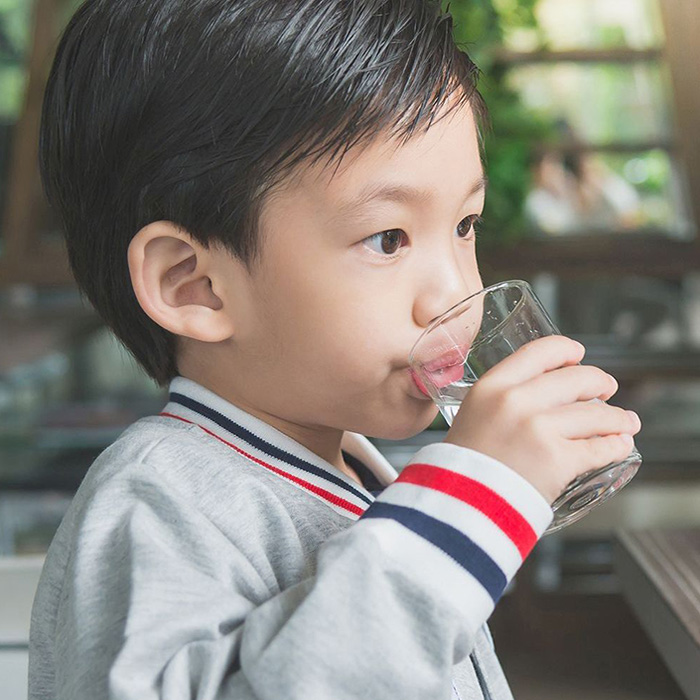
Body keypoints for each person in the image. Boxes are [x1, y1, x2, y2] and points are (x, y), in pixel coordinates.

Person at [29, 1, 641, 699]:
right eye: (388, 239)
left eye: (465, 225)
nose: (454, 291)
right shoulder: (158, 502)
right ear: (194, 283)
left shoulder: (350, 464)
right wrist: (473, 497)